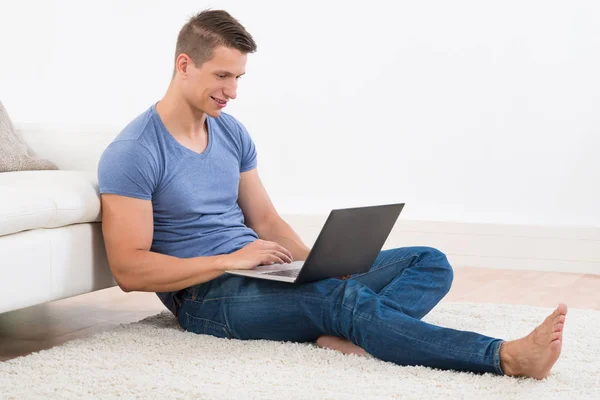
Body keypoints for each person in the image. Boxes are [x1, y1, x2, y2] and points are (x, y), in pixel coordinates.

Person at [98, 9, 567, 380]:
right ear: (185, 64)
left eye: (239, 78)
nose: (233, 92)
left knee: (427, 261)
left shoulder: (230, 132)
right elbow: (130, 270)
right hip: (204, 297)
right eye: (223, 76)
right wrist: (227, 261)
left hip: (260, 270)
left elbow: (266, 220)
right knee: (343, 303)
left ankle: (344, 330)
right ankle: (503, 358)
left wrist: (316, 264)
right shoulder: (135, 151)